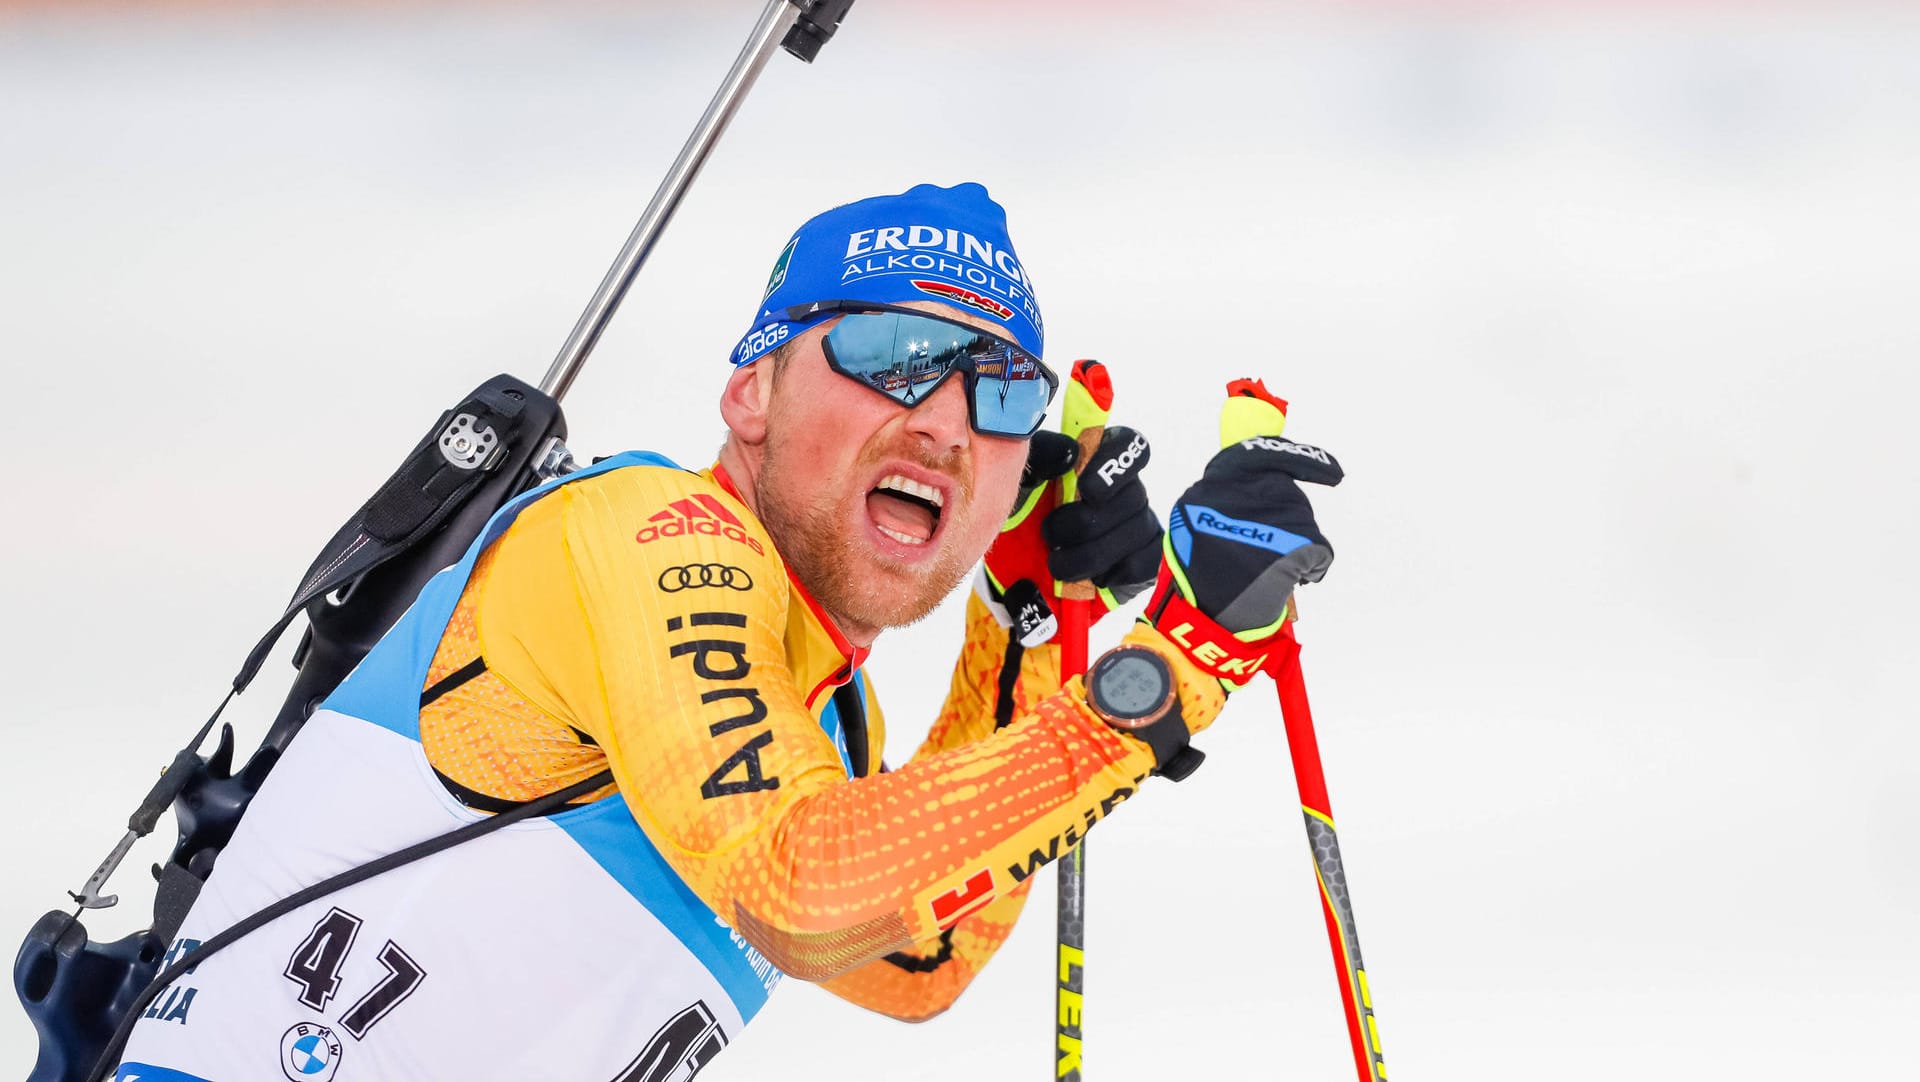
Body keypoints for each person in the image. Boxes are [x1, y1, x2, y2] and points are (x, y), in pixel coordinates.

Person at [112, 182, 1340, 1081]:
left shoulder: (827, 713)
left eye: (1001, 388)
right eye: (893, 353)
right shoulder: (651, 533)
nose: (948, 421)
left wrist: (1020, 618)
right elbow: (802, 886)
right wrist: (1179, 660)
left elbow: (916, 958)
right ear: (750, 388)